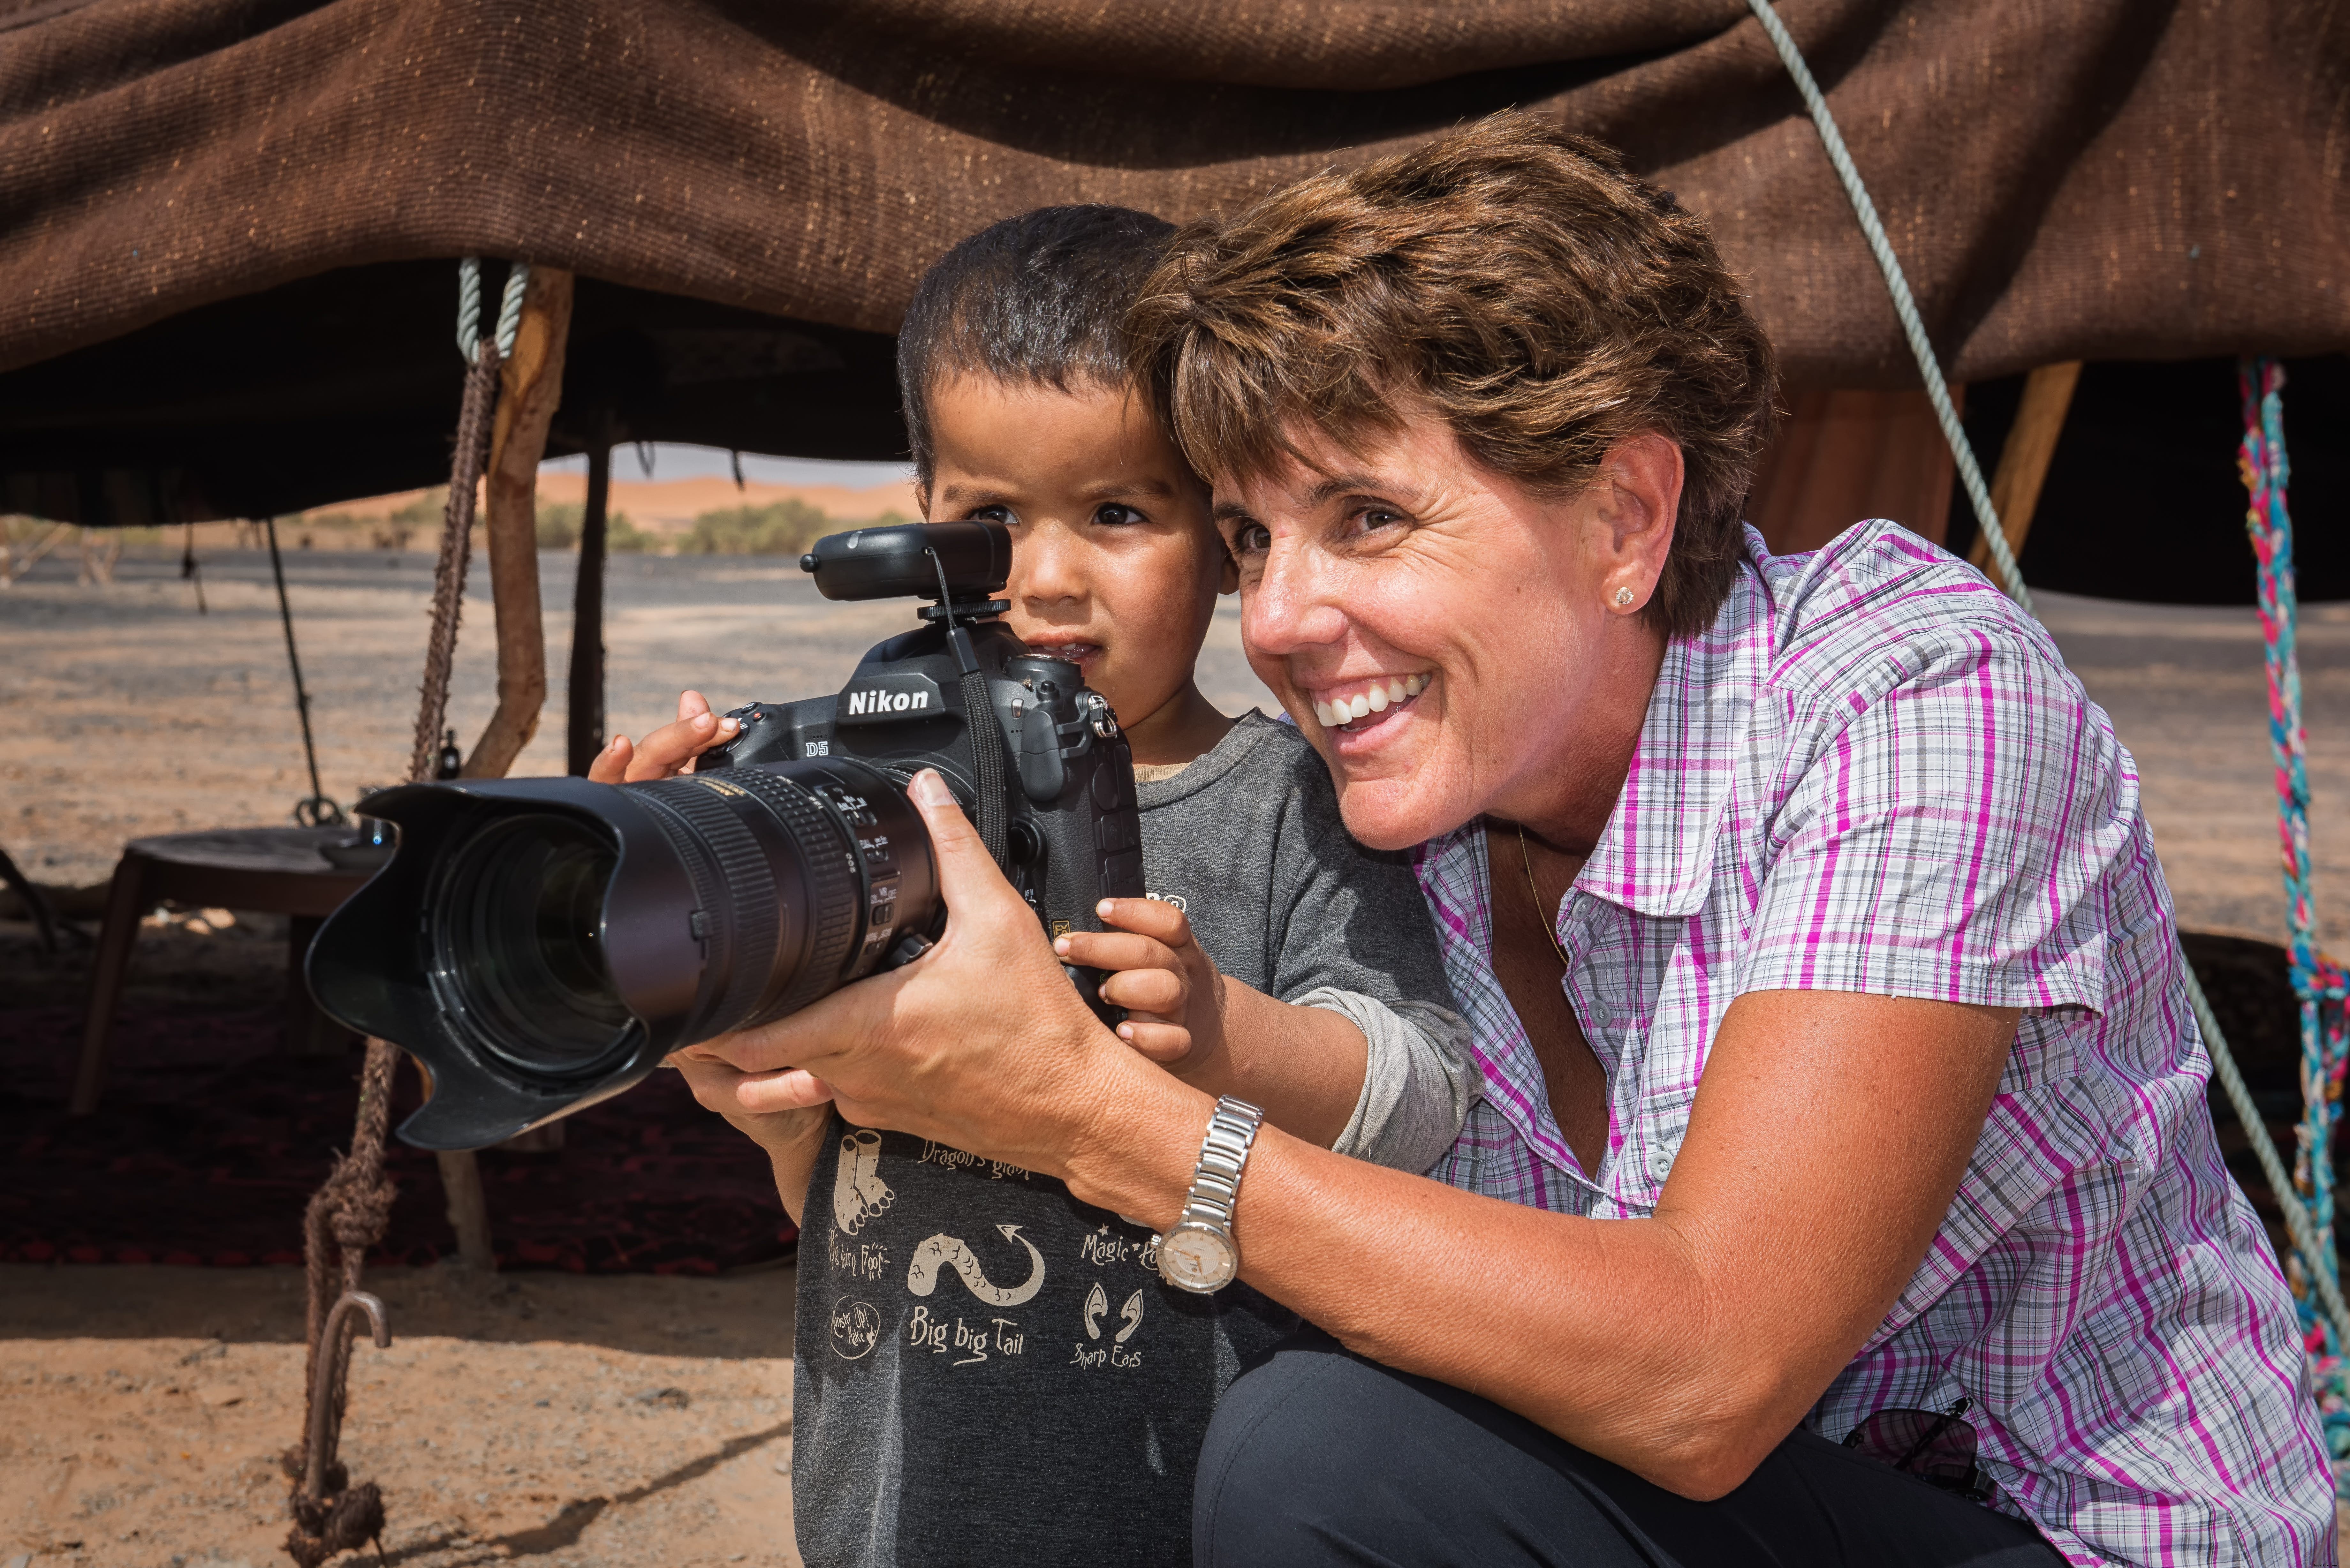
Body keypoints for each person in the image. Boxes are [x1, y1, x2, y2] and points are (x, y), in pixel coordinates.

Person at [673, 116, 2336, 1566]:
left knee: (1329, 1457)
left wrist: (1096, 1115)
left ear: (1624, 518)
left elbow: (1705, 1374)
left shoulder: (1907, 699)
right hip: (1722, 1503)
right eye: (1252, 537)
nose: (1284, 617)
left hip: (2052, 1531)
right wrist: (823, 1069)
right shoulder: (1404, 822)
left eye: (1369, 519)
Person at [597, 206, 1474, 1566]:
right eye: (988, 520)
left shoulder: (1290, 800)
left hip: (1188, 1510)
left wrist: (1229, 1035)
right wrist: (667, 878)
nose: (1047, 580)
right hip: (889, 1505)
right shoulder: (867, 810)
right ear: (921, 516)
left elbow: (1423, 1094)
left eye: (1118, 512)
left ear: (1225, 535)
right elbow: (845, 1188)